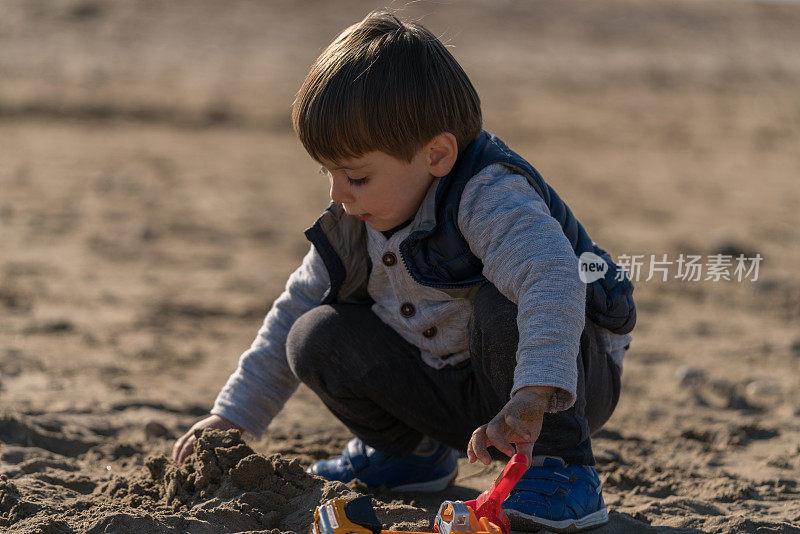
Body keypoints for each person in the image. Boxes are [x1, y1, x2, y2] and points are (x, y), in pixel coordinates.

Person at [172, 10, 635, 533]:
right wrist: (232, 418)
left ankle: (563, 470)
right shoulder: (354, 221)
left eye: (357, 176)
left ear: (436, 154)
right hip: (453, 390)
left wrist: (533, 395)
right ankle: (411, 456)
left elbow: (552, 277)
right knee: (313, 334)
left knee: (499, 301)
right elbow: (292, 310)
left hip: (560, 381)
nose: (337, 194)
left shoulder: (487, 195)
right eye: (326, 172)